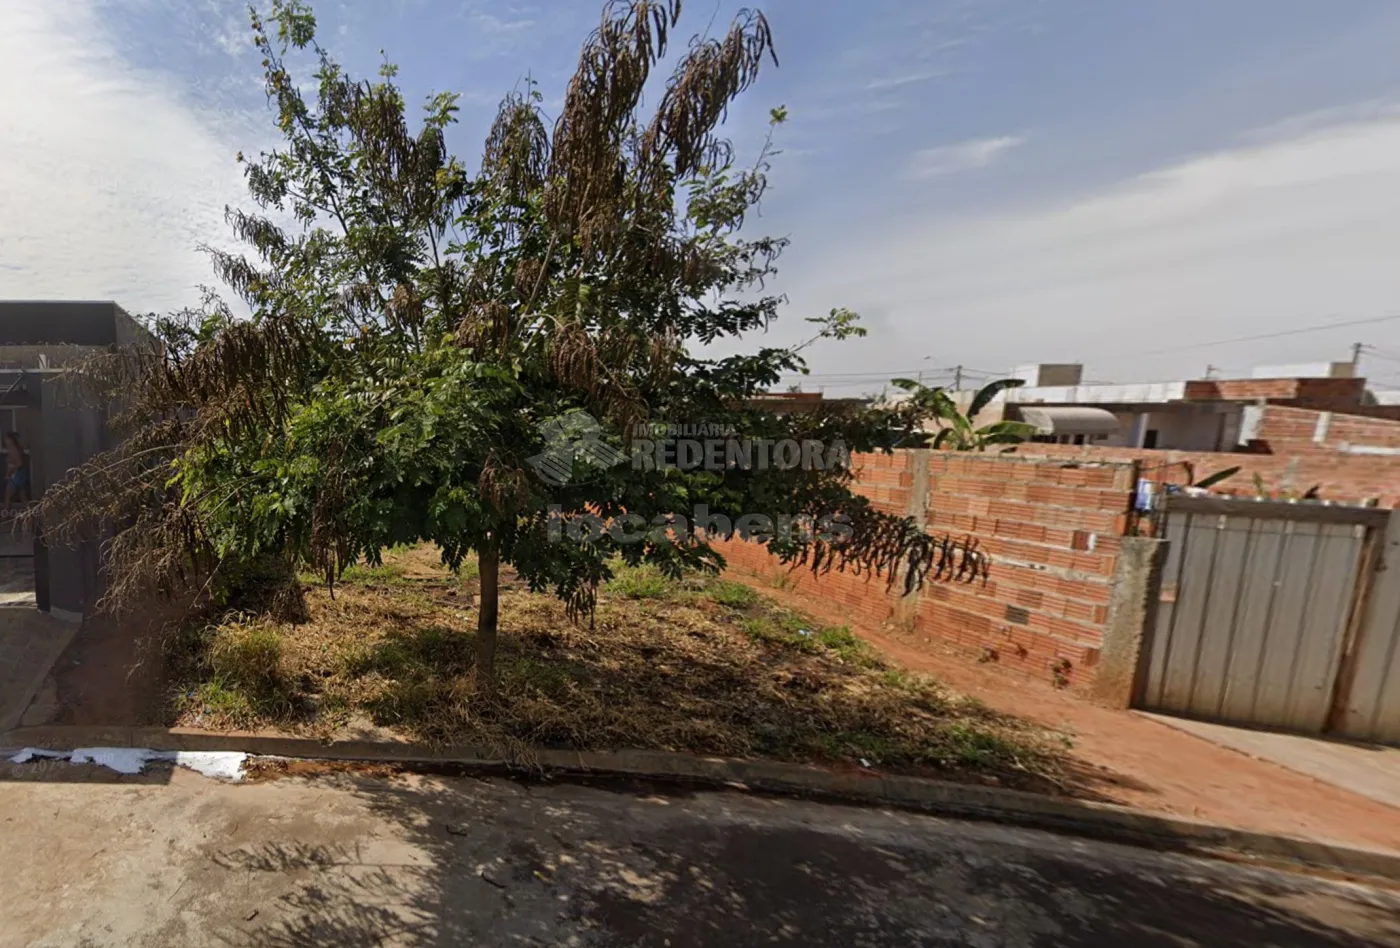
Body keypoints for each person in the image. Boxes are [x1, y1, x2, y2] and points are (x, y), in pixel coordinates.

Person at [4, 432, 30, 513]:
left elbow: (20, 463)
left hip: (19, 474)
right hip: (19, 473)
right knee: (22, 495)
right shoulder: (11, 449)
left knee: (8, 493)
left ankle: (6, 512)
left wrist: (12, 468)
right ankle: (31, 511)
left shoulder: (15, 450)